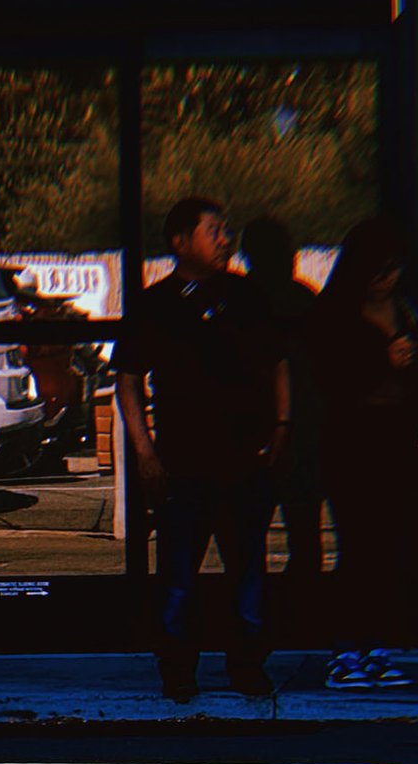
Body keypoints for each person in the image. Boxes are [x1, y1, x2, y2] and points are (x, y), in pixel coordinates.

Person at [113, 197, 290, 701]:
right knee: (177, 573)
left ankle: (249, 665)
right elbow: (127, 382)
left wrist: (282, 426)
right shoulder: (154, 305)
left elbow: (278, 363)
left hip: (244, 458)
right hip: (181, 462)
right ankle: (178, 669)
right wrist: (145, 452)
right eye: (214, 230)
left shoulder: (247, 296)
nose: (224, 239)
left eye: (226, 230)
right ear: (180, 240)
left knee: (248, 568)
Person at [308, 217, 418, 690]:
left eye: (395, 269)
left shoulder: (405, 309)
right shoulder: (333, 313)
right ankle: (344, 649)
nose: (388, 279)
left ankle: (378, 644)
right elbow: (328, 381)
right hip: (352, 443)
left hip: (397, 439)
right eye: (380, 271)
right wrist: (384, 360)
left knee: (392, 546)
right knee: (357, 546)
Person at [241, 216, 323, 619]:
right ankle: (302, 607)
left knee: (248, 532)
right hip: (303, 431)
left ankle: (256, 613)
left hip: (252, 430)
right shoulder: (304, 300)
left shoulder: (240, 301)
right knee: (304, 531)